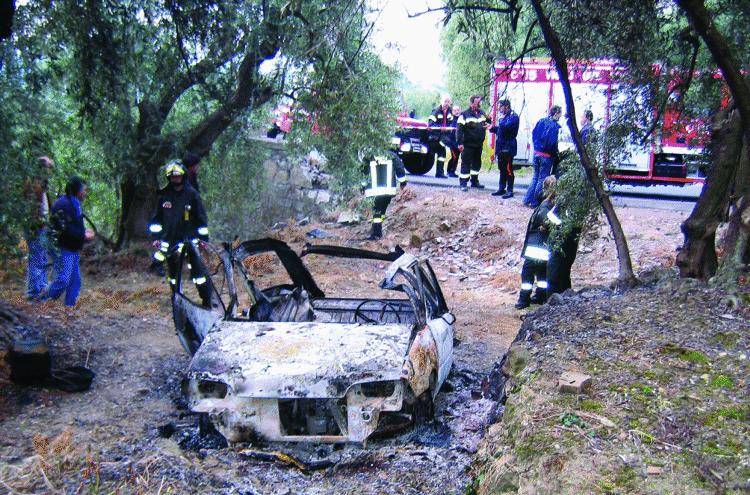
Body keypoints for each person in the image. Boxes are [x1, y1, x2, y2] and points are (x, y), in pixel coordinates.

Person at [148, 161, 212, 307]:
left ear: (182, 176)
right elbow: (156, 220)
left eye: (177, 176)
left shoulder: (192, 195)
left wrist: (203, 239)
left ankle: (207, 300)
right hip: (170, 241)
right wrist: (156, 238)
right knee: (173, 275)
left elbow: (201, 218)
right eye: (172, 177)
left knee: (199, 273)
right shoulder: (164, 196)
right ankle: (177, 298)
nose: (175, 179)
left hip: (190, 240)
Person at [45, 176, 94, 307]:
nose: (85, 192)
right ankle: (43, 302)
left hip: (71, 247)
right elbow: (65, 229)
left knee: (75, 281)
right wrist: (83, 235)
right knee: (63, 279)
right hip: (63, 247)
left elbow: (74, 226)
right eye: (84, 189)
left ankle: (69, 307)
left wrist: (83, 234)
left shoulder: (74, 204)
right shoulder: (64, 205)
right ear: (77, 190)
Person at [515, 176, 561, 309]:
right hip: (545, 247)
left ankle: (524, 299)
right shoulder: (554, 205)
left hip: (536, 247)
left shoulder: (545, 206)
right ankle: (540, 296)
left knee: (527, 275)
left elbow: (550, 222)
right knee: (542, 274)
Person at [24, 156, 54, 300]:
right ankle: (35, 292)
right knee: (37, 257)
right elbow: (32, 207)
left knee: (40, 257)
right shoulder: (34, 184)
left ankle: (41, 290)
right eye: (48, 168)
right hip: (35, 226)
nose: (49, 172)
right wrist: (37, 223)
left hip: (40, 225)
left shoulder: (39, 184)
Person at [363, 151, 407, 240]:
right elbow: (400, 169)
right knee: (381, 211)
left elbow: (364, 172)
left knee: (377, 213)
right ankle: (377, 229)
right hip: (388, 191)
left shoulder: (369, 157)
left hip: (373, 191)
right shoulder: (392, 156)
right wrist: (403, 182)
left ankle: (376, 233)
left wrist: (363, 186)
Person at [524, 105, 561, 207]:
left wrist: (536, 147)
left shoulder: (541, 121)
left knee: (535, 177)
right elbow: (552, 143)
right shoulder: (554, 126)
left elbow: (534, 134)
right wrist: (554, 154)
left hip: (536, 153)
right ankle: (535, 202)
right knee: (542, 179)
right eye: (560, 113)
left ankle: (527, 199)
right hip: (546, 155)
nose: (560, 116)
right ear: (556, 113)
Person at [456, 95, 492, 191]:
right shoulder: (464, 114)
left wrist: (489, 119)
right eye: (478, 102)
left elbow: (487, 122)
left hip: (478, 144)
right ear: (473, 103)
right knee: (466, 163)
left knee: (477, 163)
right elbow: (459, 130)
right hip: (467, 144)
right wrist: (460, 143)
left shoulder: (482, 113)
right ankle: (463, 183)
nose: (480, 103)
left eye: (480, 102)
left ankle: (474, 182)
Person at [490, 99, 520, 198]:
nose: (499, 109)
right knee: (502, 168)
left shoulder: (513, 116)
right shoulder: (505, 117)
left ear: (506, 106)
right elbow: (500, 130)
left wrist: (501, 120)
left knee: (508, 169)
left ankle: (510, 190)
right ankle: (501, 188)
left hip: (508, 146)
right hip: (501, 146)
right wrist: (491, 128)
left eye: (500, 107)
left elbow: (506, 127)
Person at [428, 95, 455, 178]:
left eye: (448, 102)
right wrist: (440, 128)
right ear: (441, 101)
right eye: (445, 101)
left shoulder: (450, 112)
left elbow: (452, 122)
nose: (446, 103)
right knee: (439, 153)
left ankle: (439, 173)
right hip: (435, 137)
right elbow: (431, 124)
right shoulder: (436, 111)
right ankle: (439, 173)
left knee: (442, 153)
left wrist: (449, 128)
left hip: (444, 137)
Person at [446, 105, 462, 177]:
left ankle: (453, 171)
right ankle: (449, 171)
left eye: (458, 110)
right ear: (452, 112)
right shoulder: (450, 119)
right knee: (454, 157)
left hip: (459, 142)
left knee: (457, 157)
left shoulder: (462, 119)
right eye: (455, 110)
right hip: (452, 142)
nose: (457, 112)